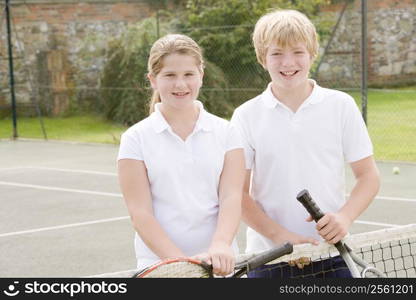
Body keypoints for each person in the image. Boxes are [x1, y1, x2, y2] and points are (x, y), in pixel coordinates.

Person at [231, 9, 380, 278]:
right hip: (268, 258)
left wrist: (344, 218)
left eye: (298, 52)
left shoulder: (341, 106)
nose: (288, 62)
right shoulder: (245, 116)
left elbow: (368, 176)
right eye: (277, 53)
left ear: (312, 53)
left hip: (332, 254)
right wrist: (283, 239)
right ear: (262, 59)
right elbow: (236, 194)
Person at [117, 34, 245, 276]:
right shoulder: (135, 138)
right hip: (161, 267)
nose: (180, 85)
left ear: (201, 76)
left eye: (188, 74)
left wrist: (220, 244)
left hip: (220, 265)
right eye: (169, 75)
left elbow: (231, 196)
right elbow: (140, 213)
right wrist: (181, 264)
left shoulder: (227, 132)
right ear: (153, 80)